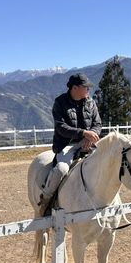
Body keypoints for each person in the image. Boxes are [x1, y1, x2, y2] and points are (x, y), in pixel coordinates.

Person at [41, 73, 102, 208]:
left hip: (88, 141)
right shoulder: (60, 102)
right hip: (66, 144)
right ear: (74, 88)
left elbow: (97, 124)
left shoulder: (91, 102)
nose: (88, 90)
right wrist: (84, 133)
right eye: (85, 87)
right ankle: (45, 200)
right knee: (61, 169)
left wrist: (90, 137)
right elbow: (61, 127)